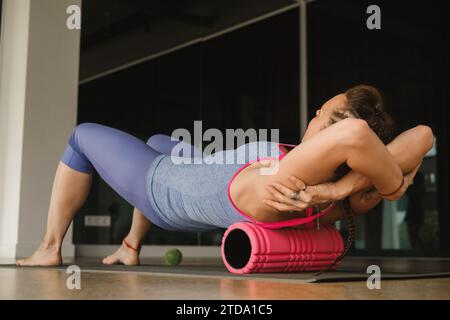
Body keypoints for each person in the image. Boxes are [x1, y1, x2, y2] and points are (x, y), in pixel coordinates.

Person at [16, 85, 433, 266]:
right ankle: (129, 246)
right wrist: (350, 184)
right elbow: (424, 135)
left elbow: (357, 133)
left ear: (330, 130)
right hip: (202, 176)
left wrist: (374, 180)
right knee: (162, 139)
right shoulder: (346, 198)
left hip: (163, 190)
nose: (312, 116)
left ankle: (50, 247)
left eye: (319, 113)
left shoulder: (290, 174)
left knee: (82, 136)